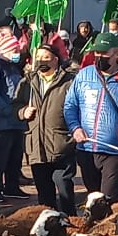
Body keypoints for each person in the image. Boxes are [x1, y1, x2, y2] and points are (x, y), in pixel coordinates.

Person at [65, 30, 118, 201]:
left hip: (114, 151)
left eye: (105, 53)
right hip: (86, 149)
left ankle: (112, 226)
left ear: (116, 53)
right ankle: (97, 228)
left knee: (110, 199)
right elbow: (70, 105)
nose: (100, 56)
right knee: (94, 200)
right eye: (97, 52)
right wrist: (75, 128)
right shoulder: (84, 75)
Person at [18, 42, 77, 214]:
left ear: (56, 60)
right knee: (44, 196)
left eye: (46, 57)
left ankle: (71, 223)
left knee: (64, 188)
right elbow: (15, 105)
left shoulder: (69, 81)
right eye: (38, 58)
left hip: (61, 144)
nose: (41, 61)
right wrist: (23, 112)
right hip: (36, 146)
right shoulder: (28, 81)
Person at [0, 28, 31, 201]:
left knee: (15, 156)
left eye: (18, 50)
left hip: (18, 120)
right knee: (0, 157)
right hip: (4, 120)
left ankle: (12, 186)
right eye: (14, 51)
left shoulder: (14, 67)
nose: (17, 54)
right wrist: (7, 110)